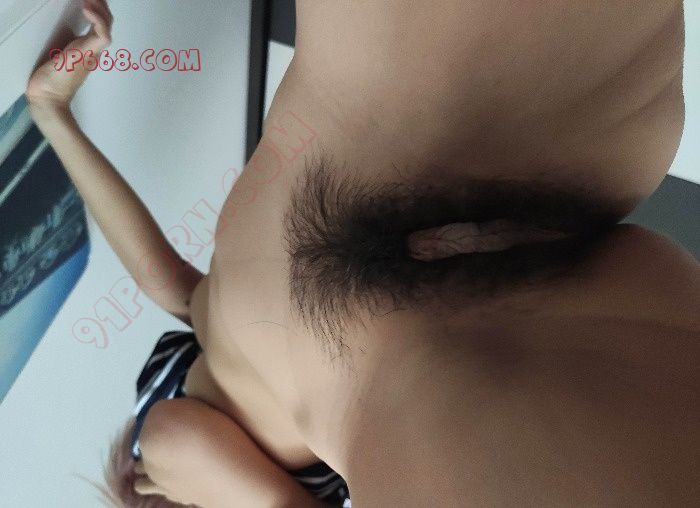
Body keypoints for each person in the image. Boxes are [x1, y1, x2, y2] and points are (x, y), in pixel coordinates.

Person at [26, 0, 699, 506]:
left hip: (436, 121)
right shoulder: (270, 483)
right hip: (489, 306)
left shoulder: (189, 400)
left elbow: (168, 285)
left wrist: (53, 116)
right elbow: (180, 439)